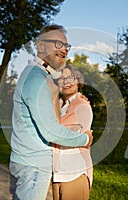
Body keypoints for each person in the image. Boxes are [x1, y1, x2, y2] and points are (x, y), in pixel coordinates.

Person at [9, 24, 93, 200]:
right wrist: (85, 139)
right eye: (57, 43)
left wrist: (75, 98)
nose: (64, 49)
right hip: (34, 166)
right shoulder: (37, 79)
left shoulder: (38, 76)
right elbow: (51, 131)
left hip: (32, 163)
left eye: (66, 46)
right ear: (40, 46)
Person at [52, 65, 93, 200]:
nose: (66, 82)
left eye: (70, 78)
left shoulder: (82, 106)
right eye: (61, 78)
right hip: (58, 174)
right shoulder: (58, 104)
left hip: (74, 174)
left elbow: (58, 135)